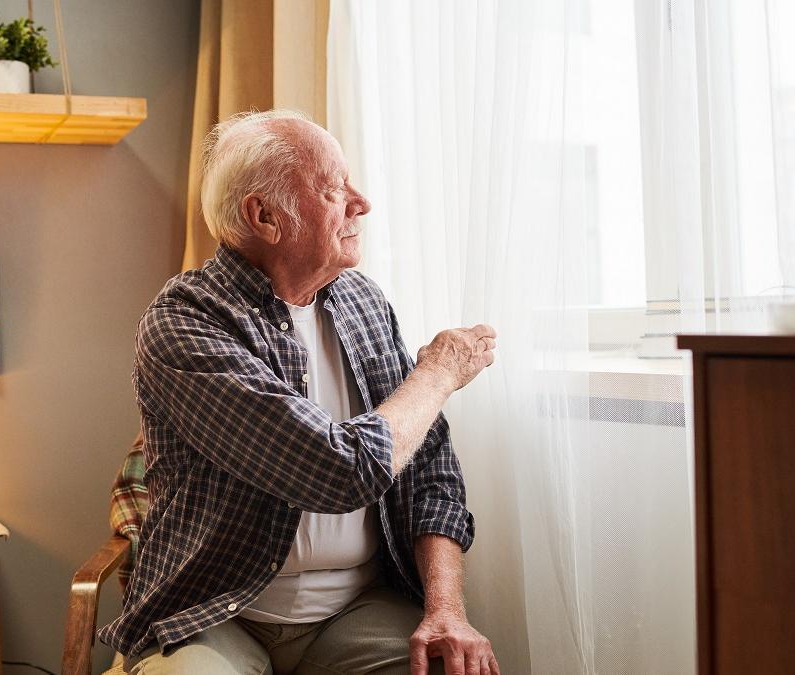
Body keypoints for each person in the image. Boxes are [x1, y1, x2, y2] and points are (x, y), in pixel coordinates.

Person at [103, 110, 499, 675]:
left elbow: (428, 468)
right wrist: (436, 374)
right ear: (263, 216)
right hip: (215, 609)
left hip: (357, 606)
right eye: (334, 187)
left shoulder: (364, 303)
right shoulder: (185, 323)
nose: (360, 202)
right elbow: (338, 470)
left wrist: (446, 610)